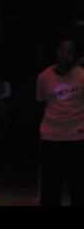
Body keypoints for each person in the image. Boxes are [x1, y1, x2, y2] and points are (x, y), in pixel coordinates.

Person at [36, 36, 84, 206]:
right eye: (63, 51)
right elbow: (40, 103)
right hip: (51, 138)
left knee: (78, 187)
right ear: (57, 53)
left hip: (77, 138)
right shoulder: (44, 77)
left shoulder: (82, 76)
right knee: (50, 188)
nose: (66, 56)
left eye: (70, 52)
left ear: (76, 55)